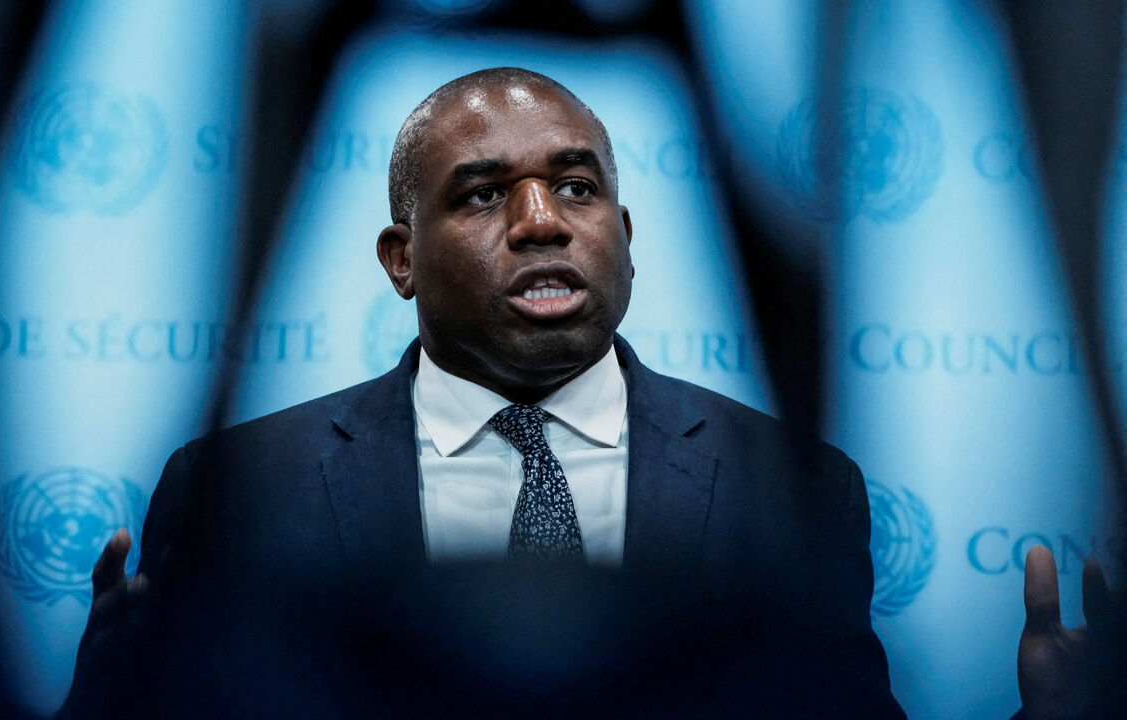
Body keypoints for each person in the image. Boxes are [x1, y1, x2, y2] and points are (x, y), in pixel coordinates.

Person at [60, 67, 1120, 719]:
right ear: (401, 259)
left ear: (627, 237)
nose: (541, 222)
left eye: (576, 187)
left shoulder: (793, 484)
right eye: (483, 194)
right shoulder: (237, 488)